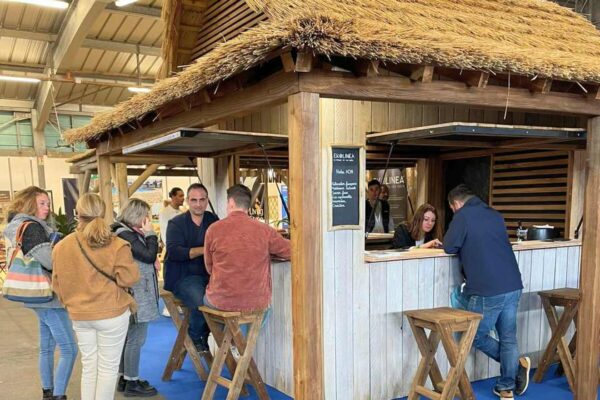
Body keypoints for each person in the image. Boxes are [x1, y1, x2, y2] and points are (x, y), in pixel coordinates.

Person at [443, 184, 530, 399]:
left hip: (487, 289)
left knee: (472, 336)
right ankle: (506, 388)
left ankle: (516, 367)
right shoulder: (495, 215)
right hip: (513, 285)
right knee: (508, 339)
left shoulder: (463, 216)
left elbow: (448, 246)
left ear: (456, 204)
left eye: (453, 209)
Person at [52, 193, 140, 400]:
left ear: (77, 214)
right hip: (112, 313)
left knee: (89, 366)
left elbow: (57, 284)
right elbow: (129, 278)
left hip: (79, 315)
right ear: (103, 212)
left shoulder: (61, 246)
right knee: (107, 369)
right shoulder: (117, 244)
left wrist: (71, 304)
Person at [4, 186, 77, 400]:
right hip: (48, 296)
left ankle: (48, 391)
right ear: (29, 204)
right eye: (42, 203)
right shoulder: (33, 228)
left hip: (37, 295)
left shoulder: (19, 225)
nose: (47, 207)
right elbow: (49, 261)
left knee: (47, 346)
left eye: (47, 203)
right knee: (70, 349)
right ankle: (59, 395)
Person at [204, 184, 291, 313]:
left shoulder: (213, 229)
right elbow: (292, 251)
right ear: (248, 205)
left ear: (231, 203)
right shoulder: (264, 230)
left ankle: (231, 333)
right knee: (264, 312)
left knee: (206, 300)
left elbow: (209, 267)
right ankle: (242, 334)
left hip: (221, 300)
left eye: (227, 203)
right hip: (257, 302)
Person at [112, 199, 159, 397]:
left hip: (134, 291)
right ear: (137, 215)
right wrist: (150, 234)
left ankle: (125, 378)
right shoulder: (126, 234)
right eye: (145, 215)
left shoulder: (123, 232)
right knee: (136, 339)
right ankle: (131, 382)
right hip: (138, 292)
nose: (147, 219)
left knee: (129, 337)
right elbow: (148, 256)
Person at [164, 183, 218, 352]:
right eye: (194, 200)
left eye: (202, 200)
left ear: (207, 200)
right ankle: (195, 336)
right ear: (187, 201)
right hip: (182, 277)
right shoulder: (176, 223)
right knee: (200, 300)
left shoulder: (213, 220)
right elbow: (174, 252)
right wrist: (204, 250)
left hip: (208, 273)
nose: (198, 204)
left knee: (222, 297)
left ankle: (210, 335)